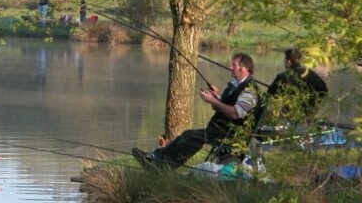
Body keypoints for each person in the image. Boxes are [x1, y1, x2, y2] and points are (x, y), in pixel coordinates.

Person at [132, 53, 260, 168]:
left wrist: (213, 101)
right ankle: (157, 158)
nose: (230, 67)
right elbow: (227, 105)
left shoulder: (250, 90)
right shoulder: (235, 84)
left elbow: (236, 113)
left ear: (245, 69)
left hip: (231, 133)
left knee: (190, 137)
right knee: (188, 135)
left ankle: (163, 165)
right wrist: (217, 96)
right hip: (220, 129)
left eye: (234, 65)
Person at [266, 48, 328, 118]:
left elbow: (270, 94)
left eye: (284, 61)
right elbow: (324, 91)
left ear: (288, 62)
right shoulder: (310, 74)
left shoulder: (282, 77)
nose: (284, 63)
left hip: (288, 114)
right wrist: (314, 104)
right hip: (308, 114)